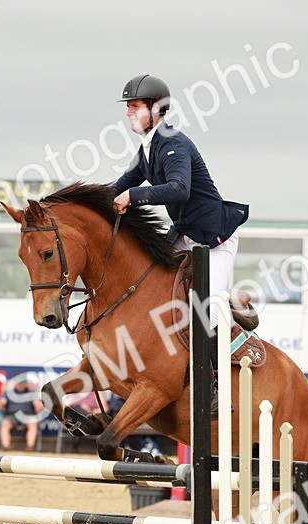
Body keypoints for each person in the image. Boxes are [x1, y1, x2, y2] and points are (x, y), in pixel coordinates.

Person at [111, 74, 249, 413]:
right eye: (127, 108)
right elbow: (117, 187)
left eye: (135, 107)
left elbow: (179, 189)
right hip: (186, 236)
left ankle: (214, 384)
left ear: (156, 110)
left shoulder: (173, 142)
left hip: (215, 241)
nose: (129, 113)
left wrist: (134, 195)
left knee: (206, 311)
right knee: (145, 283)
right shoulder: (147, 149)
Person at [0, 375, 45, 450]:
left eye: (22, 383)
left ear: (26, 383)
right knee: (5, 423)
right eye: (18, 383)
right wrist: (0, 404)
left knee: (33, 423)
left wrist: (38, 404)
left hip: (27, 416)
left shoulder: (31, 393)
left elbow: (39, 408)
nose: (20, 385)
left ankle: (29, 447)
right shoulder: (8, 393)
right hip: (11, 416)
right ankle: (6, 447)